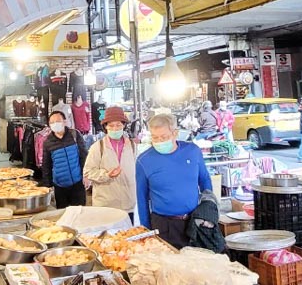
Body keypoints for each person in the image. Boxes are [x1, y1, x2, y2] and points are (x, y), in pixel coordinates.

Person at [136, 112, 212, 248]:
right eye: (155, 137)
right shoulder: (144, 161)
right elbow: (142, 199)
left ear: (175, 133)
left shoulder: (192, 151)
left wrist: (209, 210)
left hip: (195, 220)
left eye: (164, 137)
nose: (159, 141)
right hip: (164, 226)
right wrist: (146, 231)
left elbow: (205, 180)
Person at [83, 106, 137, 220]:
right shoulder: (97, 147)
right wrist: (106, 175)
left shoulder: (132, 146)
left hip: (127, 204)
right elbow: (88, 172)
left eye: (118, 125)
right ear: (105, 127)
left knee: (126, 236)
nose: (115, 128)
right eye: (111, 125)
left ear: (124, 125)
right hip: (105, 206)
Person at [42, 110, 87, 208]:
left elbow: (84, 156)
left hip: (78, 183)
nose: (55, 124)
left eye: (58, 121)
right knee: (62, 216)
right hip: (60, 186)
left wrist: (86, 175)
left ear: (65, 121)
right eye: (52, 122)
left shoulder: (75, 135)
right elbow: (46, 166)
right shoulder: (47, 143)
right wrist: (47, 186)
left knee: (80, 213)